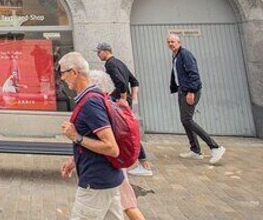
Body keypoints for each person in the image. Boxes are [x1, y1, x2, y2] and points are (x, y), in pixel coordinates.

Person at [58, 52, 124, 220]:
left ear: (74, 72)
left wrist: (76, 137)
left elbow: (111, 148)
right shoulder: (93, 96)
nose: (62, 78)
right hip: (108, 180)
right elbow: (94, 136)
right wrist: (74, 160)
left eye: (63, 73)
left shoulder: (90, 103)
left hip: (95, 183)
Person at [88, 70, 146, 220]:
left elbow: (107, 143)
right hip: (116, 165)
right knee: (122, 206)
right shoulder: (110, 104)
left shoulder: (101, 108)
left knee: (128, 205)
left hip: (111, 166)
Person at [95, 43, 153, 177]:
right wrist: (132, 99)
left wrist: (123, 100)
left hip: (119, 102)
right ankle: (124, 161)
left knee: (126, 132)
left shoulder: (110, 64)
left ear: (105, 51)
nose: (98, 55)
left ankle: (144, 164)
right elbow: (134, 81)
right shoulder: (119, 62)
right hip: (125, 101)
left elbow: (121, 83)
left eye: (99, 52)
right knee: (126, 131)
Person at [167, 34, 225, 164]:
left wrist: (191, 91)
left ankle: (215, 147)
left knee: (187, 119)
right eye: (169, 42)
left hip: (190, 91)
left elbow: (194, 73)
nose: (171, 44)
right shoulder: (175, 56)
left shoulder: (185, 54)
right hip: (182, 90)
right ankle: (195, 150)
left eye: (173, 41)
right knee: (185, 120)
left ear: (179, 42)